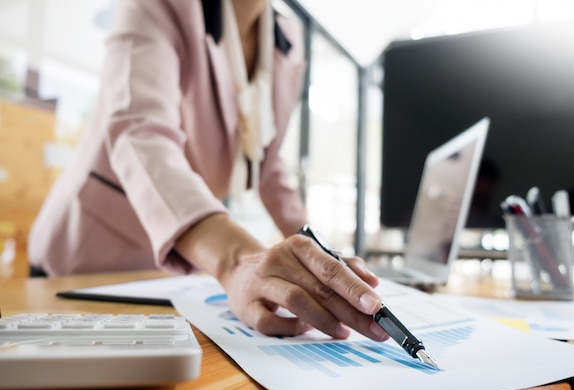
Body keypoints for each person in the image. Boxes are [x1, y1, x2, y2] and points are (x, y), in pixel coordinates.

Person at [27, 0, 389, 343]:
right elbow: (140, 132)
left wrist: (316, 254)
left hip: (175, 272)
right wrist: (237, 259)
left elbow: (268, 162)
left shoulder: (290, 39)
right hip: (87, 259)